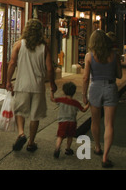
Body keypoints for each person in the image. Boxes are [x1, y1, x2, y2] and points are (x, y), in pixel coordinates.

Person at [6, 18, 57, 152]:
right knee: (35, 115)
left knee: (20, 111)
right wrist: (52, 84)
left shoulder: (18, 45)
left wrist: (8, 81)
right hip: (38, 86)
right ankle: (31, 142)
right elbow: (50, 69)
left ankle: (21, 133)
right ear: (40, 32)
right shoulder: (44, 47)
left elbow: (12, 63)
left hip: (21, 84)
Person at [82, 29, 122, 168]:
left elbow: (86, 78)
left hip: (95, 89)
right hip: (110, 87)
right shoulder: (114, 55)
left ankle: (97, 147)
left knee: (95, 121)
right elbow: (120, 74)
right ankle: (105, 157)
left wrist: (84, 95)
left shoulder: (89, 56)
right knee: (109, 124)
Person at [50, 82, 89, 158]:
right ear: (74, 92)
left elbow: (52, 99)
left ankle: (57, 149)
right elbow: (83, 110)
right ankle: (68, 149)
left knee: (60, 136)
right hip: (72, 122)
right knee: (70, 136)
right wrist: (89, 104)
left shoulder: (61, 100)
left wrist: (52, 92)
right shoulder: (76, 103)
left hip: (62, 122)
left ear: (64, 91)